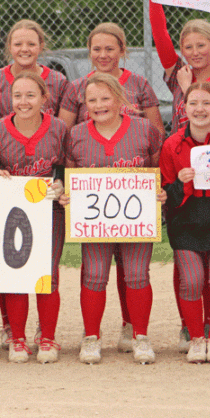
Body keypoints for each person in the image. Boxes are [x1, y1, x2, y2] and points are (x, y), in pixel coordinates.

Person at [58, 22, 165, 354]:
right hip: (95, 220)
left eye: (106, 98)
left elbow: (156, 164)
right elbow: (70, 172)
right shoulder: (76, 135)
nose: (99, 104)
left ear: (121, 99)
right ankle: (91, 337)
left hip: (134, 216)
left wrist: (158, 192)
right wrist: (67, 195)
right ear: (84, 103)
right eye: (92, 100)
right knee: (94, 273)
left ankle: (139, 336)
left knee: (135, 273)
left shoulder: (144, 129)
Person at [0, 19, 70, 348]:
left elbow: (65, 165)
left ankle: (47, 337)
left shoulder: (59, 129)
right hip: (11, 210)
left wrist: (62, 186)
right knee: (14, 272)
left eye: (31, 95)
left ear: (44, 96)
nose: (23, 100)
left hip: (48, 209)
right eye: (17, 95)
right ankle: (16, 336)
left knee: (48, 274)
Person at [160, 82, 210, 363]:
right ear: (184, 108)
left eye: (206, 103)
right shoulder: (172, 144)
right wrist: (180, 184)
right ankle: (195, 338)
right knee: (192, 281)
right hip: (186, 221)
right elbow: (164, 193)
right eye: (193, 103)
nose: (200, 109)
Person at [0, 19, 70, 121]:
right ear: (9, 47)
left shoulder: (57, 81)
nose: (24, 49)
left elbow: (62, 127)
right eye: (18, 44)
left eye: (31, 44)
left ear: (40, 46)